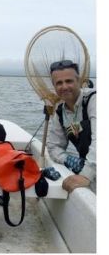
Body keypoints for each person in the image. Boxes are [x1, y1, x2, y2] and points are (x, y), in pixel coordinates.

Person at [46, 60, 96, 193]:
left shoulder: (94, 100)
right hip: (89, 163)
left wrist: (86, 173)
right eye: (59, 83)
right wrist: (70, 160)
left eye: (69, 81)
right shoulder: (60, 111)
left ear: (79, 81)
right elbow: (53, 146)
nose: (64, 86)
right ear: (54, 86)